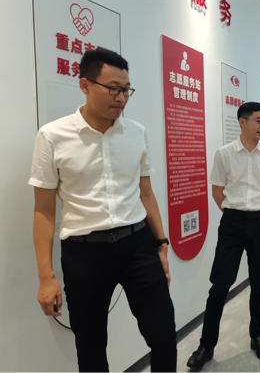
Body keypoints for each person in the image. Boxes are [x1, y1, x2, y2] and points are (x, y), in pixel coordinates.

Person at [29, 48, 177, 373]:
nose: (121, 98)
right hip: (84, 255)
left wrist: (162, 244)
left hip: (138, 245)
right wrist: (46, 277)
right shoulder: (52, 136)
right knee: (91, 348)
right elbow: (44, 211)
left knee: (164, 335)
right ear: (84, 84)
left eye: (126, 90)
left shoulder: (136, 133)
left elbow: (146, 193)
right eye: (113, 88)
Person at [187, 102, 260, 368]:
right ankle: (206, 346)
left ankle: (258, 337)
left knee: (259, 284)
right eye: (258, 121)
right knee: (220, 285)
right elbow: (217, 192)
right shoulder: (224, 154)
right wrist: (235, 212)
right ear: (242, 122)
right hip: (232, 224)